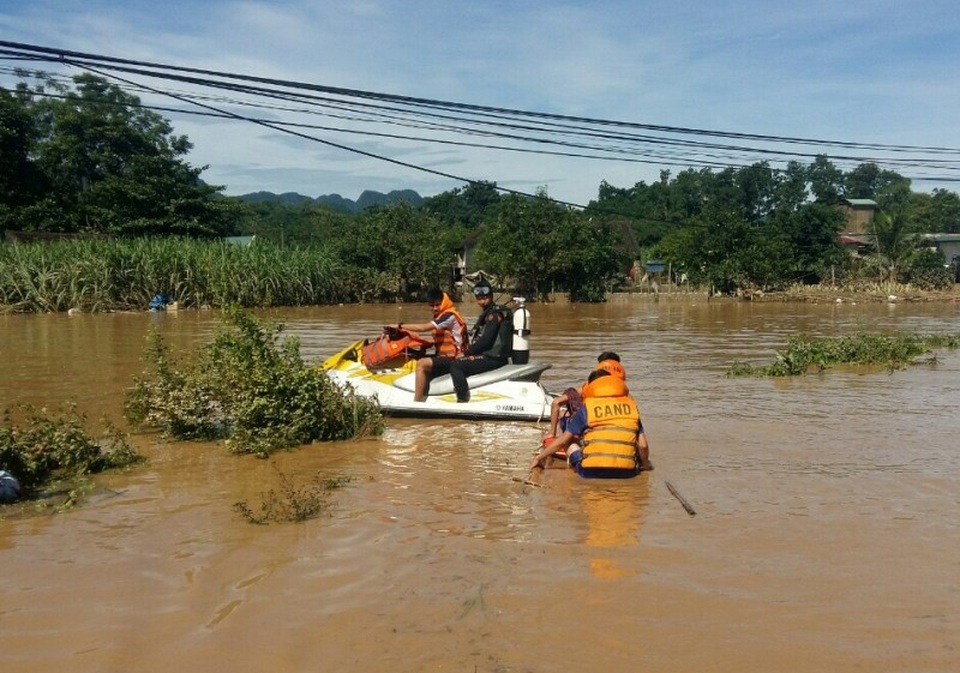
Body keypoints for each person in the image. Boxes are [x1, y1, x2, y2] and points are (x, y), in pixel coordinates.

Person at [531, 369, 652, 478]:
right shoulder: (631, 408)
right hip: (626, 473)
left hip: (590, 471)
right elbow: (643, 445)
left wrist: (539, 458)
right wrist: (645, 464)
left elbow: (561, 442)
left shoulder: (587, 409)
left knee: (569, 441)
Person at [414, 280, 511, 403]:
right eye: (479, 298)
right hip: (490, 356)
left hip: (493, 358)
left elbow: (486, 341)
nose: (481, 300)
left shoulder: (494, 315)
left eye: (485, 297)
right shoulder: (488, 313)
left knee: (456, 364)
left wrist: (466, 353)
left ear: (491, 296)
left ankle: (462, 399)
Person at [405, 288, 469, 400]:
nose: (434, 308)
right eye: (431, 305)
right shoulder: (439, 317)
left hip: (455, 360)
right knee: (414, 357)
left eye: (437, 305)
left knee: (421, 364)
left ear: (443, 302)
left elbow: (423, 328)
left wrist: (399, 326)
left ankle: (416, 403)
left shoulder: (449, 316)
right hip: (444, 357)